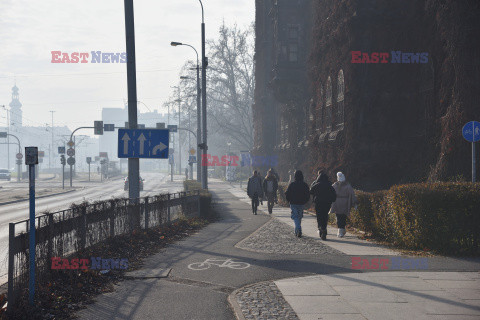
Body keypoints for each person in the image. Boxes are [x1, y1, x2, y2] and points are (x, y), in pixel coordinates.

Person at [310, 171, 336, 240]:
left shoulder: (317, 184)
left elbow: (311, 191)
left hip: (318, 202)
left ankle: (320, 227)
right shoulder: (329, 185)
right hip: (327, 203)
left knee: (319, 216)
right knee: (325, 216)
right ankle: (324, 228)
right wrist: (332, 200)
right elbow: (334, 195)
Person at [329, 172, 357, 238]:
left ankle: (340, 230)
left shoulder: (334, 185)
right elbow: (352, 195)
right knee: (343, 217)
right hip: (345, 202)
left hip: (336, 202)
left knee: (338, 216)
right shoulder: (348, 186)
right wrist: (355, 202)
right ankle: (341, 230)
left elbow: (330, 193)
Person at [285, 170, 310, 237]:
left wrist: (288, 200)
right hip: (301, 203)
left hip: (293, 203)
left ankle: (298, 229)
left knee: (295, 216)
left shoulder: (292, 184)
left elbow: (287, 193)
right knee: (299, 216)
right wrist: (305, 201)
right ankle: (297, 230)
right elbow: (308, 194)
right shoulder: (304, 185)